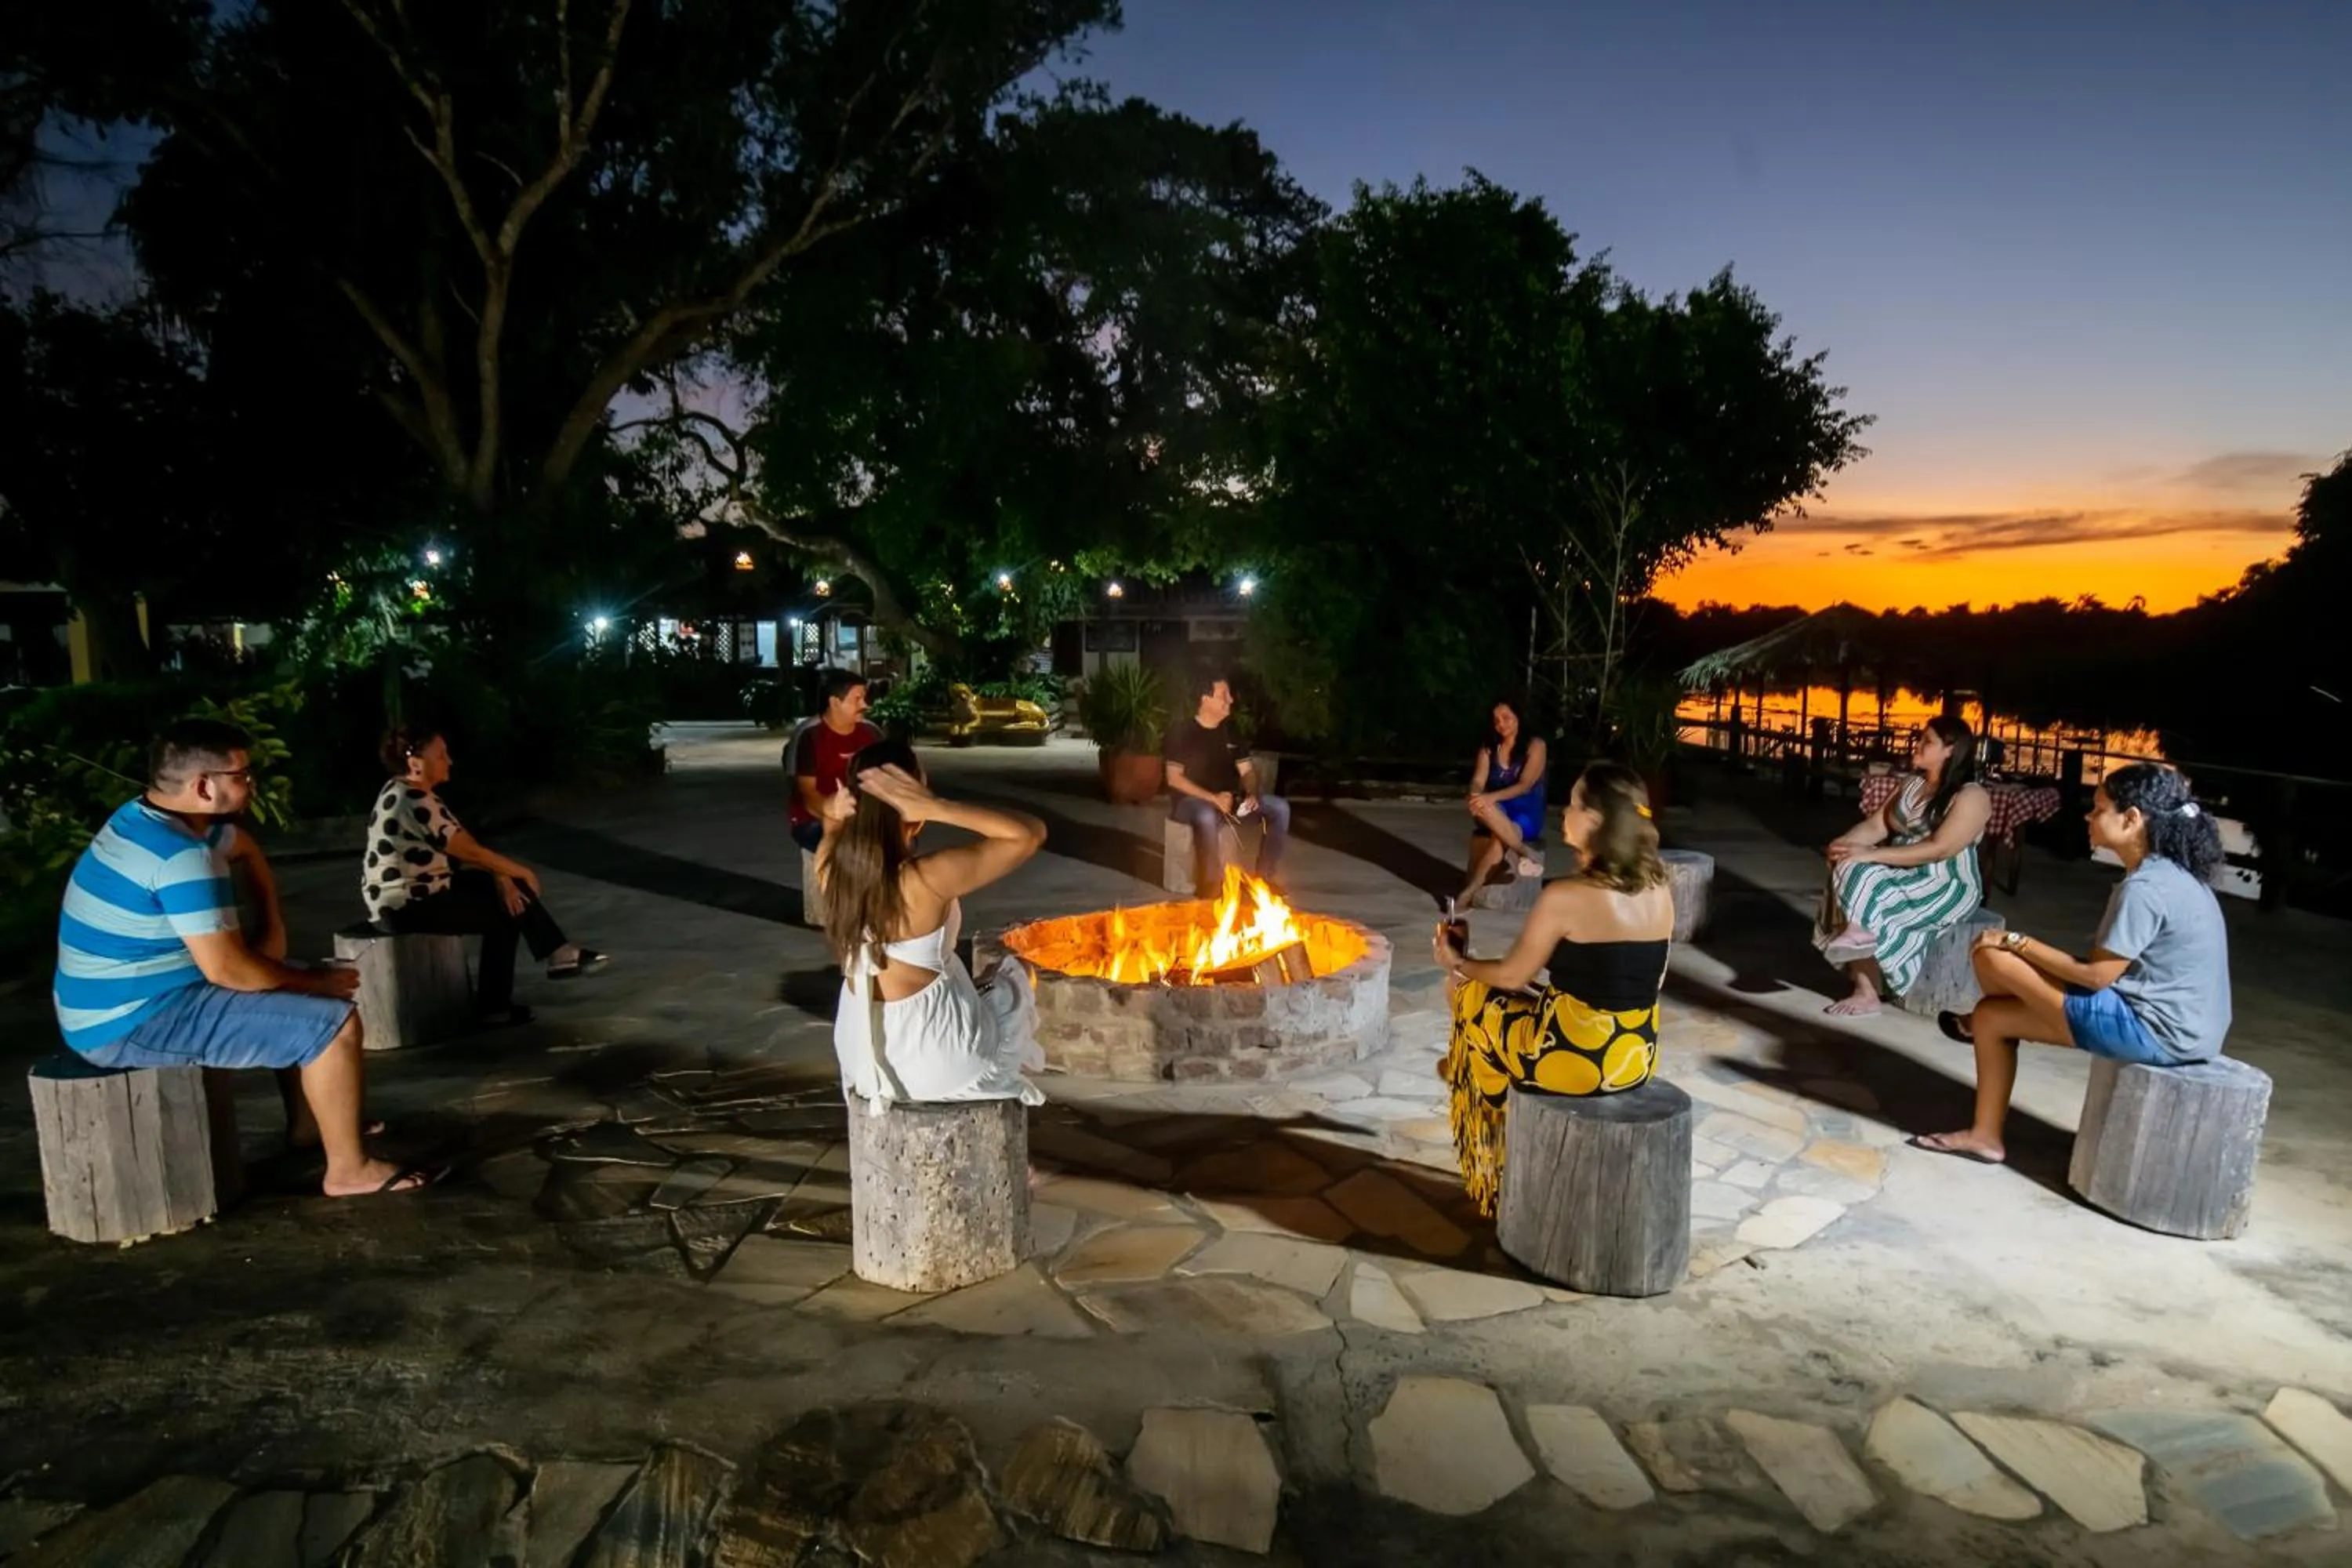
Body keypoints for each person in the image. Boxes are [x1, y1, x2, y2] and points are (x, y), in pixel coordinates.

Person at [53, 718, 429, 1197]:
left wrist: (271, 927)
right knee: (333, 1022)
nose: (252, 784)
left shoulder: (147, 817)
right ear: (204, 786)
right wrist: (318, 983)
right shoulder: (177, 854)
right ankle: (348, 1171)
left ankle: (308, 1127)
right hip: (128, 1023)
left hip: (116, 1000)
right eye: (242, 775)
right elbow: (228, 970)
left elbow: (244, 849)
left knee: (289, 986)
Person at [1913, 763, 2231, 1164]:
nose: (2088, 816)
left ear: (2131, 820)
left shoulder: (2147, 888)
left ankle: (1981, 1019)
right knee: (1993, 1017)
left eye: (2099, 810)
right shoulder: (2172, 875)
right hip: (2188, 1028)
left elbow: (2097, 977)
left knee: (1993, 953)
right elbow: (2106, 971)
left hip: (2157, 1031)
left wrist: (2018, 942)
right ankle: (1985, 1136)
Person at [1433, 761, 1675, 1216]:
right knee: (1518, 1003)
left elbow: (1510, 975)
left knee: (1462, 992)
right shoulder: (1660, 888)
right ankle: (1479, 1068)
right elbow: (1648, 980)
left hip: (1578, 1061)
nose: (1565, 810)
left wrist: (1459, 960)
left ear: (1597, 822)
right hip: (1636, 1055)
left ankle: (1493, 1119)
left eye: (1575, 802)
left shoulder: (1566, 895)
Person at [815, 739, 1047, 1105]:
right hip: (937, 1060)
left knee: (980, 983)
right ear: (913, 811)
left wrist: (833, 809)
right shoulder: (926, 880)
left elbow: (829, 823)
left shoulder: (830, 869)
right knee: (1015, 978)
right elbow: (1030, 833)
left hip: (861, 1055)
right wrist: (938, 807)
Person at [363, 724, 606, 1024]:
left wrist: (502, 877)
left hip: (419, 893)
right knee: (507, 912)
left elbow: (465, 849)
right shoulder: (414, 801)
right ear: (415, 764)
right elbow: (469, 852)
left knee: (506, 890)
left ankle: (556, 954)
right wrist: (520, 871)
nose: (449, 761)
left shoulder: (400, 790)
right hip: (407, 906)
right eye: (440, 755)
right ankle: (502, 1001)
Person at [1813, 717, 1992, 1016]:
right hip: (1902, 872)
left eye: (1927, 741)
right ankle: (1865, 989)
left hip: (1944, 883)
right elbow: (1876, 826)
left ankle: (1860, 935)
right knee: (1849, 869)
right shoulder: (1912, 785)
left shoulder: (1972, 795)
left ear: (1950, 750)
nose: (1917, 745)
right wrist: (1843, 845)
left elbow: (1940, 849)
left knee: (1864, 877)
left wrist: (1868, 856)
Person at [1163, 673, 1291, 890]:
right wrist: (1213, 799)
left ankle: (1264, 878)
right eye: (1224, 695)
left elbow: (1247, 772)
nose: (1230, 700)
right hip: (1190, 803)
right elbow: (1174, 778)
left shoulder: (1232, 732)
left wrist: (1251, 793)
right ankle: (1212, 883)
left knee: (1280, 808)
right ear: (1205, 699)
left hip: (1229, 801)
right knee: (1205, 814)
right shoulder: (1182, 732)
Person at [1457, 697, 1549, 906]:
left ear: (1519, 717)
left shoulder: (1536, 745)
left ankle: (1469, 892)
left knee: (1499, 837)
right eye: (1496, 720)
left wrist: (1489, 797)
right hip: (1495, 810)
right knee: (1485, 808)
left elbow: (1525, 784)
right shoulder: (1489, 747)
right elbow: (1478, 780)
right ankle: (1524, 853)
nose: (1501, 724)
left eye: (1506, 718)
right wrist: (1475, 794)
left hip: (1526, 810)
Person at [788, 668, 882, 853]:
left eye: (865, 698)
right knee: (846, 845)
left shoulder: (871, 733)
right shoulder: (809, 736)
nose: (865, 705)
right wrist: (833, 812)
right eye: (857, 699)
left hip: (861, 817)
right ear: (835, 702)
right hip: (815, 818)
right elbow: (807, 794)